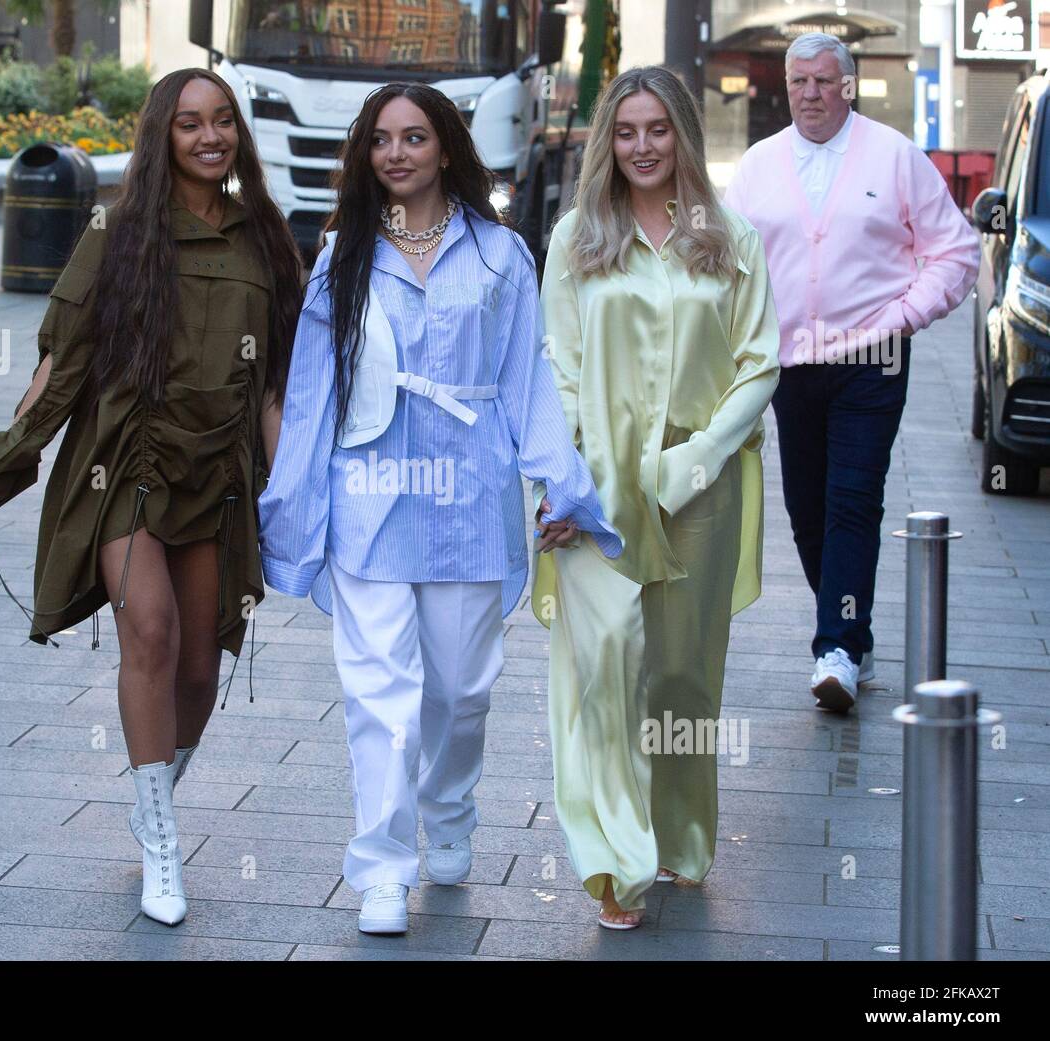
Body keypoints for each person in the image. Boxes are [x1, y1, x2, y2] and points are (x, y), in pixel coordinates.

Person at [0, 69, 303, 926]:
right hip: (124, 463)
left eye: (221, 123)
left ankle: (152, 793)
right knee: (153, 630)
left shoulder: (263, 236)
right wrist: (0, 461)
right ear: (160, 137)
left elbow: (275, 387)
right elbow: (60, 363)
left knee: (204, 667)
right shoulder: (119, 229)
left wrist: (296, 497)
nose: (209, 137)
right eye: (188, 125)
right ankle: (162, 845)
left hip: (215, 477)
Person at [258, 82, 624, 935]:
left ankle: (449, 810)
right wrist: (290, 501)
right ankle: (382, 867)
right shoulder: (343, 257)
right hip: (370, 497)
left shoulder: (501, 255)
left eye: (414, 137)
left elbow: (527, 381)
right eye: (381, 139)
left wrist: (557, 483)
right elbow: (313, 392)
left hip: (470, 494)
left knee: (460, 691)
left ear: (446, 147)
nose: (396, 154)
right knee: (381, 696)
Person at [533, 65, 780, 930]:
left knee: (680, 677)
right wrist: (560, 480)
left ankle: (677, 836)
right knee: (604, 673)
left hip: (699, 491)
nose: (642, 147)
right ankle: (616, 864)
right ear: (610, 139)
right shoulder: (575, 237)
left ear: (684, 135)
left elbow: (761, 363)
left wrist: (704, 455)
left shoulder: (729, 237)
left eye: (659, 130)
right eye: (627, 131)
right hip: (596, 494)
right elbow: (556, 368)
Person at [725, 32, 980, 712]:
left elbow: (955, 252)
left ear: (849, 85)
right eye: (798, 81)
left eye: (823, 81)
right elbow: (725, 264)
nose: (810, 93)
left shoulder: (895, 156)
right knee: (805, 509)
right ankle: (852, 630)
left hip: (873, 359)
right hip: (792, 365)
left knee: (852, 499)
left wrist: (905, 315)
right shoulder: (758, 166)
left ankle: (834, 645)